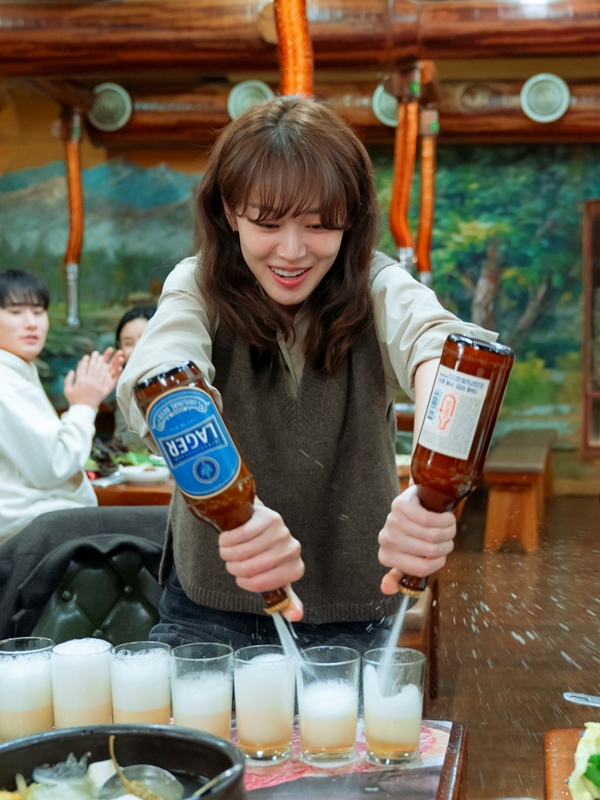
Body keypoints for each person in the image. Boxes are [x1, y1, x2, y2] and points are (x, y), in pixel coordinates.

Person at [117, 96, 497, 651]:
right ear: (230, 212)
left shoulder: (378, 285)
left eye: (319, 225)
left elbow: (445, 351)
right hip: (209, 606)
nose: (292, 252)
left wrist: (430, 492)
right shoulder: (197, 284)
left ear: (352, 217)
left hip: (353, 606)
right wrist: (238, 515)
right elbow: (160, 375)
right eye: (267, 223)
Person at [0, 269, 123, 545]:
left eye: (38, 311)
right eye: (16, 312)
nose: (31, 323)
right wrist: (84, 405)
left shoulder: (17, 373)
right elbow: (54, 466)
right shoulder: (6, 381)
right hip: (30, 536)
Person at [112, 305, 156, 450]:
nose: (137, 349)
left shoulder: (180, 379)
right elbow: (122, 440)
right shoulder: (125, 387)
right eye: (128, 344)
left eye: (145, 339)